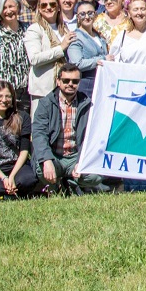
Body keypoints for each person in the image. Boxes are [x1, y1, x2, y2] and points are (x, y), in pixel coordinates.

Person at [32, 64, 113, 194]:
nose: (70, 84)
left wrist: (81, 161)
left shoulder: (87, 104)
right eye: (66, 81)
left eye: (75, 81)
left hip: (75, 156)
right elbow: (39, 134)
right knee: (42, 169)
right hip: (54, 155)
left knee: (95, 177)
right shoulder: (45, 103)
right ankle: (56, 189)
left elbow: (91, 137)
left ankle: (73, 183)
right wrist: (47, 160)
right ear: (58, 81)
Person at [24, 0, 76, 117]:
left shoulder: (65, 29)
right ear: (39, 9)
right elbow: (34, 58)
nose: (48, 8)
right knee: (41, 125)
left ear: (58, 7)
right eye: (44, 5)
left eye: (52, 4)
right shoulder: (35, 29)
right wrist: (61, 48)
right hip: (43, 89)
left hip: (64, 88)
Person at [67, 2, 108, 96]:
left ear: (95, 15)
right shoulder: (75, 37)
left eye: (90, 13)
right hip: (85, 86)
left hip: (101, 84)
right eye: (82, 14)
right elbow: (77, 64)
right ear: (77, 17)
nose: (87, 17)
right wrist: (102, 59)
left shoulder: (99, 36)